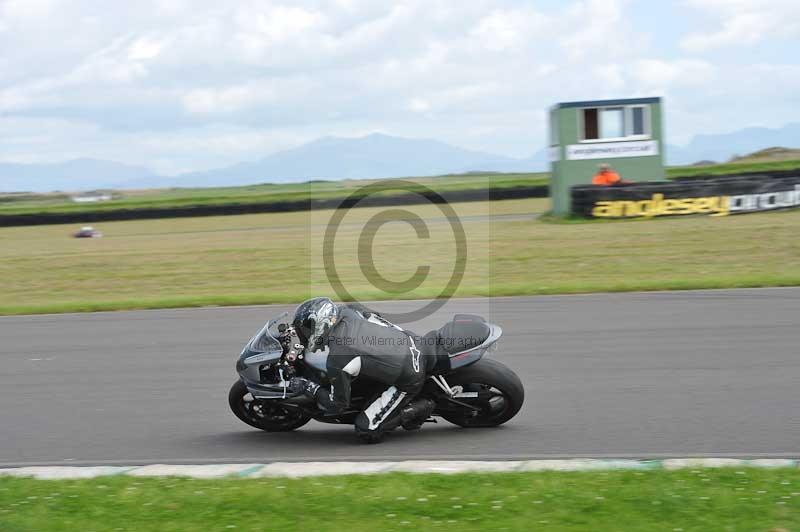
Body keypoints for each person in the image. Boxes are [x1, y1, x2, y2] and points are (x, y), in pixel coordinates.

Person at [288, 297, 436, 443]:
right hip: (411, 340)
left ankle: (423, 407)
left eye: (306, 329)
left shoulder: (338, 360)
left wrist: (309, 387)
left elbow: (338, 404)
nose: (303, 334)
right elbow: (377, 318)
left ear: (321, 325)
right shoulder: (350, 311)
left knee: (366, 429)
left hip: (410, 375)